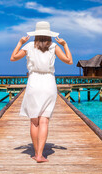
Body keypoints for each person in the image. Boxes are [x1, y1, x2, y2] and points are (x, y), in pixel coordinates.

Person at [10, 21, 73, 163]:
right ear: (49, 35)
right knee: (44, 120)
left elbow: (13, 58)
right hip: (49, 82)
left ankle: (36, 154)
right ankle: (40, 155)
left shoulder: (29, 46)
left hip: (34, 81)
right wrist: (65, 45)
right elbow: (69, 61)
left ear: (36, 35)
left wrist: (20, 42)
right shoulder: (54, 46)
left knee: (34, 121)